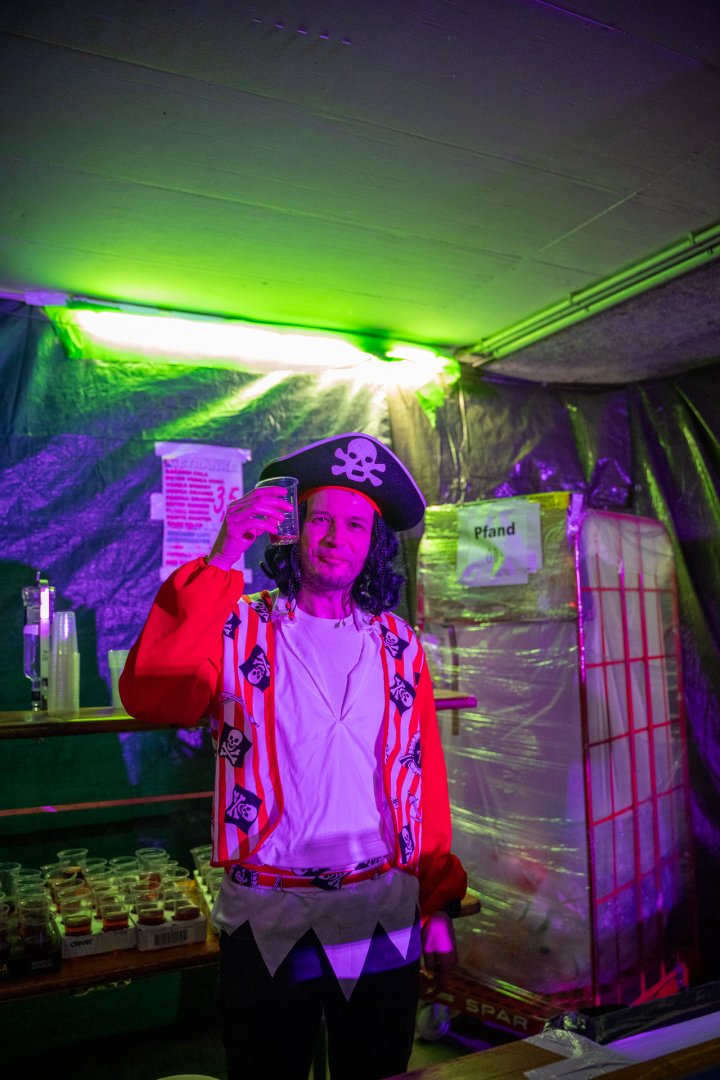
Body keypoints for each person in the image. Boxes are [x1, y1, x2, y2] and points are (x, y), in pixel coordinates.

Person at [120, 432, 467, 1080]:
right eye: (321, 520)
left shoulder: (400, 644)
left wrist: (438, 909)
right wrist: (223, 557)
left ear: (373, 543)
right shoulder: (235, 627)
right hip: (269, 923)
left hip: (381, 918)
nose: (337, 539)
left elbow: (426, 785)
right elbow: (154, 694)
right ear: (292, 530)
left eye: (356, 526)